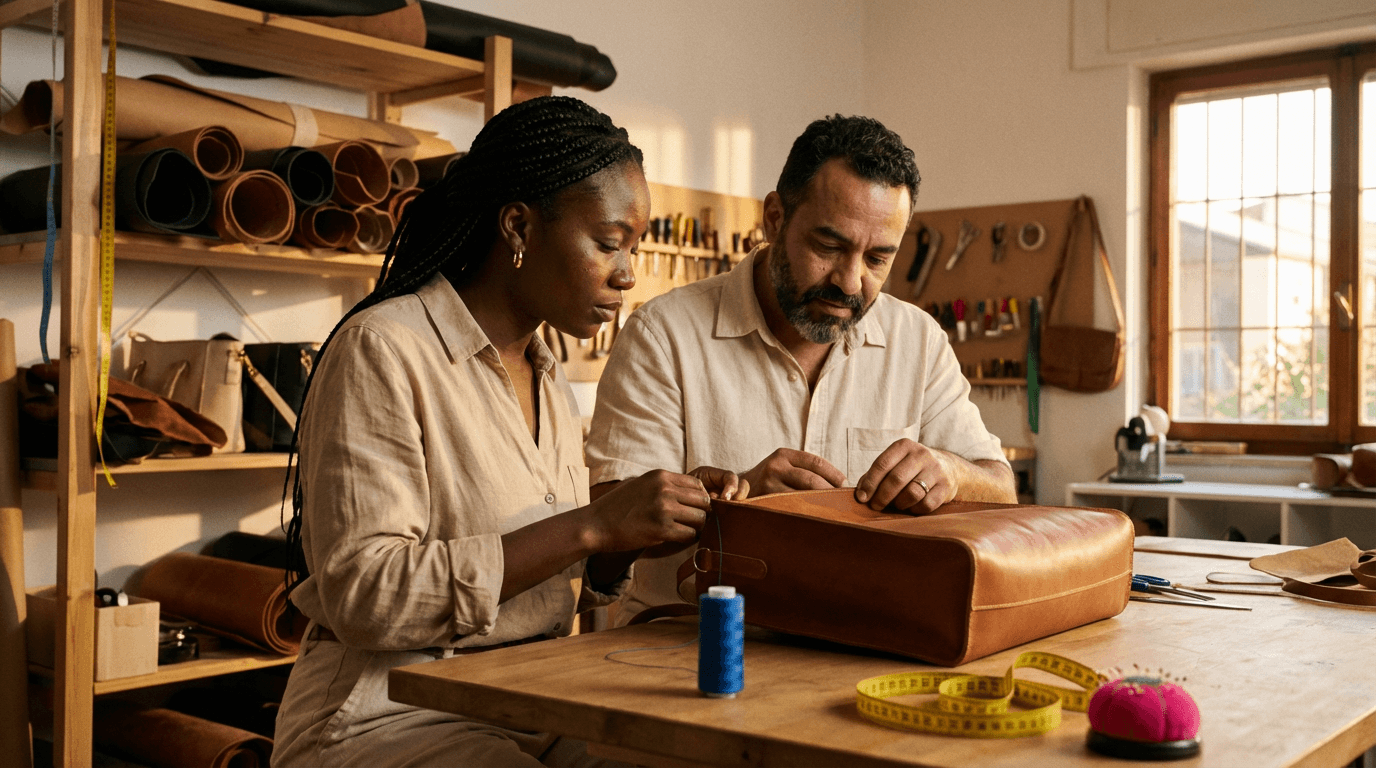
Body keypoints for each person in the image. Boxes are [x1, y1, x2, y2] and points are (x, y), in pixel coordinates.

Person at [272, 96, 741, 768]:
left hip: (526, 702)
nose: (628, 274)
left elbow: (549, 571)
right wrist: (593, 526)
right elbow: (363, 593)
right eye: (608, 243)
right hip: (388, 716)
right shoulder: (384, 348)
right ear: (518, 226)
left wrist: (637, 525)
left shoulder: (547, 374)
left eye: (632, 247)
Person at [585, 114, 1017, 623]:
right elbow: (605, 546)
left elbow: (1001, 490)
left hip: (862, 641)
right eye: (829, 247)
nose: (851, 282)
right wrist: (736, 510)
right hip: (685, 647)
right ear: (774, 218)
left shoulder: (917, 340)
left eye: (878, 258)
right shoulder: (663, 335)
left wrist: (949, 472)